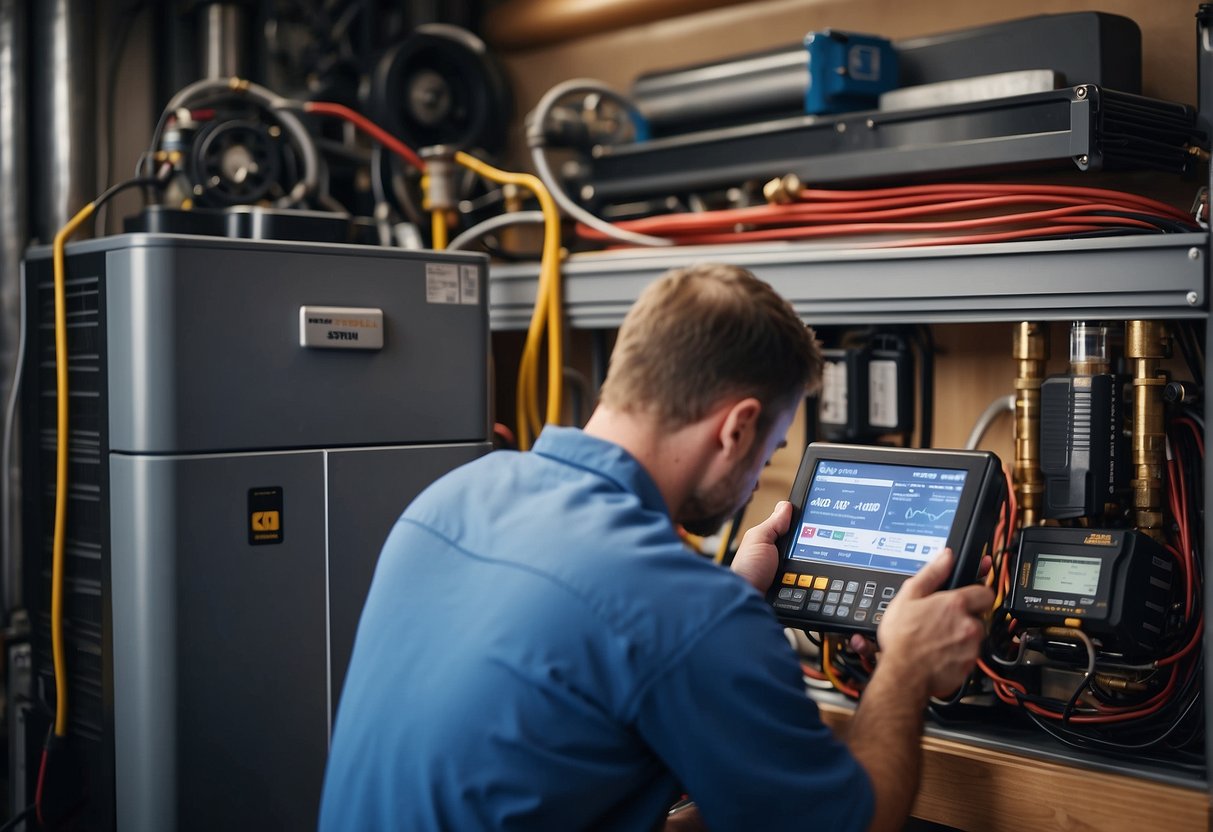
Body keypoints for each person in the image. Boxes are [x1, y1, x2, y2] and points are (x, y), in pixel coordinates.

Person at [318, 263, 993, 831]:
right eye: (770, 448)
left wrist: (728, 595)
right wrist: (905, 666)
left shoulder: (451, 498)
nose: (759, 475)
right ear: (736, 429)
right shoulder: (684, 615)